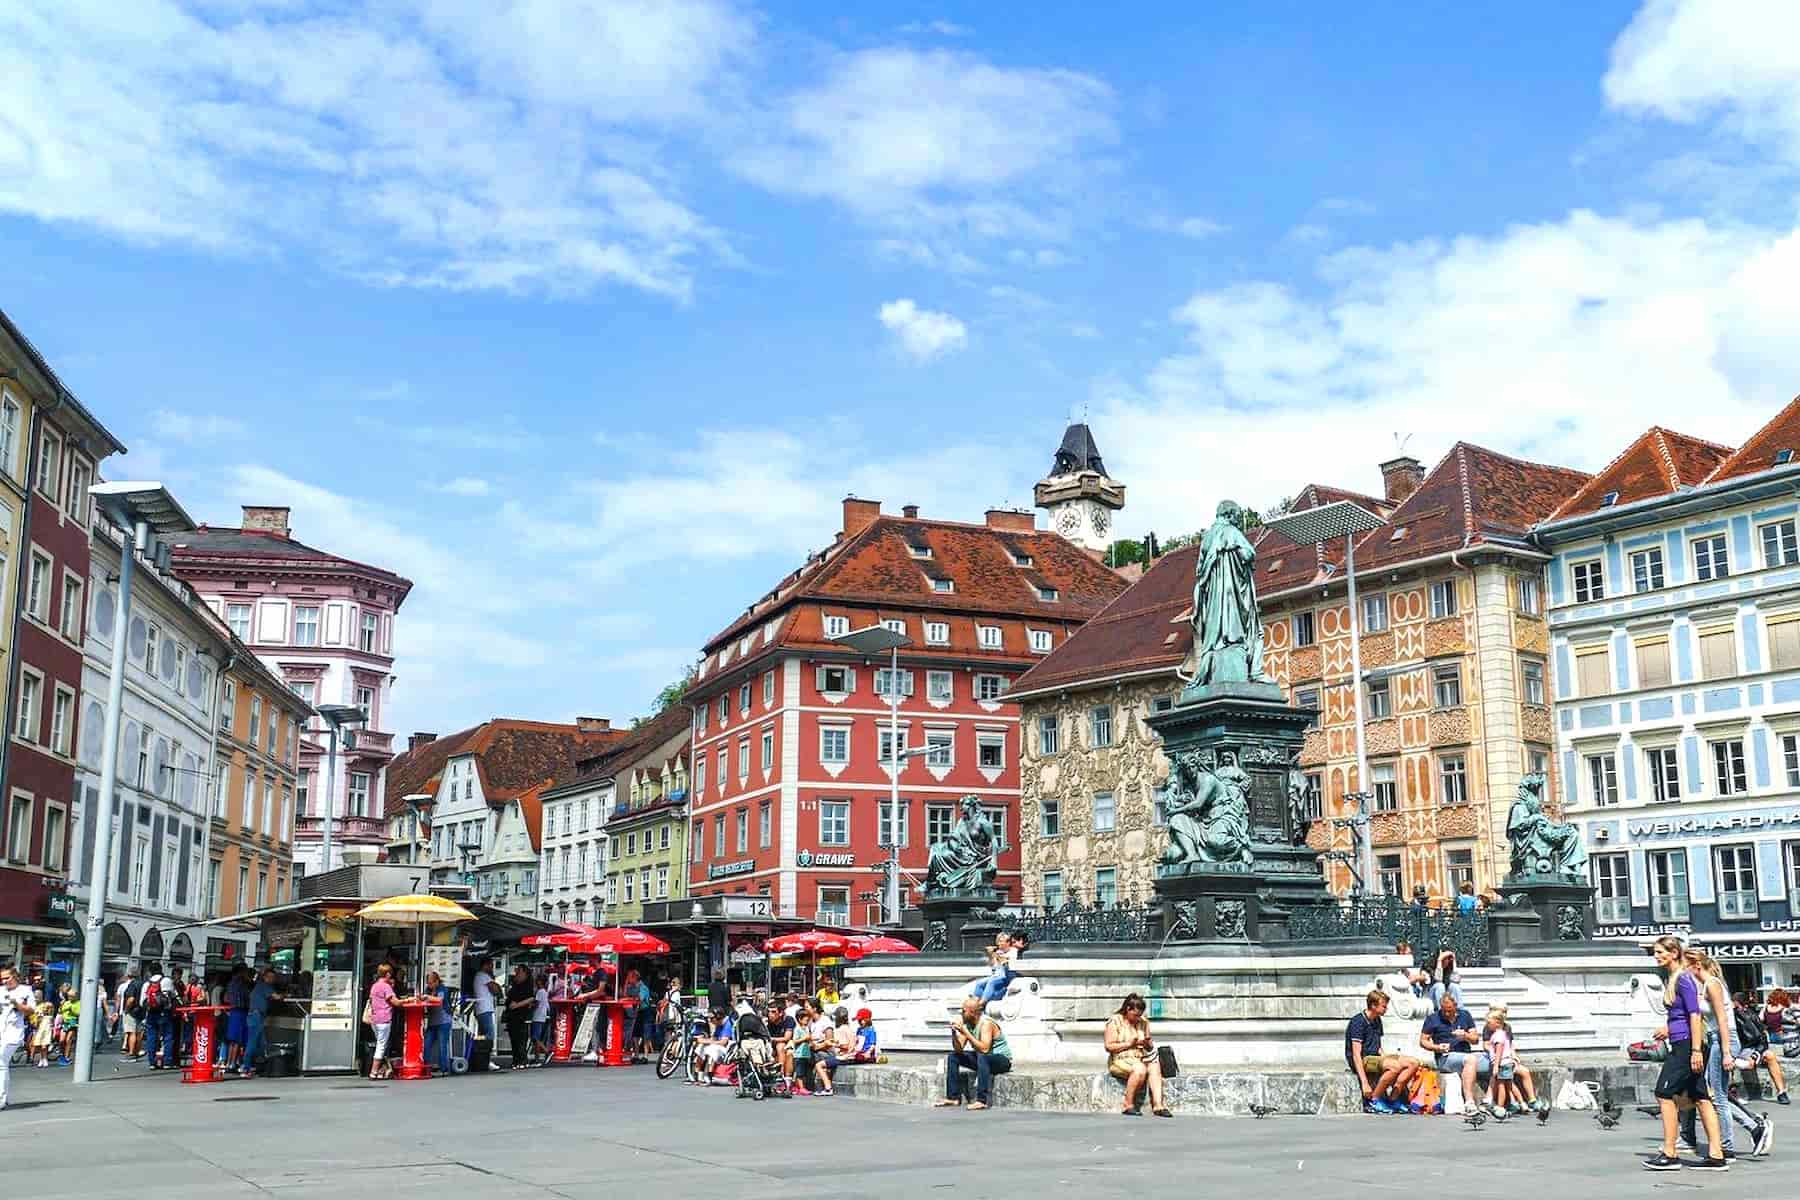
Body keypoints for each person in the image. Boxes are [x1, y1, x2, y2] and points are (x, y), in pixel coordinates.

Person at [1645, 936, 1728, 1172]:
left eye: (1660, 952)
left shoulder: (1683, 979)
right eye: (1655, 952)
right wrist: (1669, 1029)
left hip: (1686, 1045)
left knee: (1664, 1093)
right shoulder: (1674, 978)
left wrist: (1695, 1050)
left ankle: (1670, 1153)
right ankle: (1716, 1155)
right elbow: (1681, 1015)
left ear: (1673, 953)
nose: (1656, 956)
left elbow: (1694, 1014)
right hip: (1681, 1040)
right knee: (1700, 1096)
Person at [935, 995, 1012, 1111]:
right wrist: (954, 1033)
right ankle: (953, 1097)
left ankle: (981, 1100)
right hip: (983, 1060)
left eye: (963, 1011)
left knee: (982, 1056)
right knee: (953, 1056)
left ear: (972, 1012)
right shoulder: (968, 1024)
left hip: (1001, 1060)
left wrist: (966, 1032)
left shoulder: (986, 1023)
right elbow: (959, 1049)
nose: (961, 1013)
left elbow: (985, 1049)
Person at [1347, 989, 1416, 1114]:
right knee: (1394, 1067)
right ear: (1373, 1005)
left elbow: (1378, 1046)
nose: (1386, 1009)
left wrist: (1387, 1058)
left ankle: (1393, 1098)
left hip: (1376, 1057)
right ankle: (1374, 1100)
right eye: (1384, 1006)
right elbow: (1356, 1054)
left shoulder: (1377, 1020)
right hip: (1364, 1058)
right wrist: (1365, 1083)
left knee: (1413, 1063)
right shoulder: (1358, 1022)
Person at [1105, 993, 1172, 1117]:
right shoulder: (1115, 1021)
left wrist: (1147, 1044)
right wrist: (1129, 1044)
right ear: (1128, 1009)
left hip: (1141, 1057)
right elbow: (1109, 1046)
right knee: (1140, 1069)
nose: (1137, 1018)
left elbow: (1150, 1046)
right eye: (1135, 1015)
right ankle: (1128, 1104)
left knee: (1155, 1067)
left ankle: (1158, 1105)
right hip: (1120, 1059)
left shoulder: (1144, 1022)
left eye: (1140, 1015)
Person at [1419, 992, 1487, 1111]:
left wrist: (1465, 1036)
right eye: (1444, 1010)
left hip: (1465, 1053)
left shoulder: (1465, 1015)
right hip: (1446, 1057)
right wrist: (1437, 1047)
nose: (1446, 1013)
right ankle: (1469, 1102)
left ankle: (1494, 1102)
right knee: (1470, 1059)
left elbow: (1475, 1039)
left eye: (1449, 1010)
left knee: (1497, 1062)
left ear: (1456, 1006)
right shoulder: (1433, 1018)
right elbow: (1423, 1041)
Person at [1481, 1005, 1544, 1116]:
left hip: (1502, 1061)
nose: (1504, 1014)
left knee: (1505, 1083)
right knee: (1507, 1083)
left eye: (1505, 1012)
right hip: (1500, 1060)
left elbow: (1506, 1046)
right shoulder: (1489, 1028)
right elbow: (1487, 1045)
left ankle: (1506, 1105)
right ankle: (1517, 1102)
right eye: (1502, 1011)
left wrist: (1513, 1056)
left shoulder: (1503, 1030)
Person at [1, 967, 35, 1108]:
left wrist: (16, 1003)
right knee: (3, 1064)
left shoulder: (25, 990)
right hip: (1, 1030)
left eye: (7, 978)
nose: (4, 981)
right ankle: (5, 1097)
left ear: (15, 976)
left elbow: (30, 1010)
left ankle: (1, 1099)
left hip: (13, 1032)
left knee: (0, 1061)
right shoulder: (1, 991)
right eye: (2, 979)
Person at [243, 968, 278, 1079]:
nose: (272, 979)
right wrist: (285, 996)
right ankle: (246, 1068)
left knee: (261, 1043)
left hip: (256, 1016)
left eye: (273, 977)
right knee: (253, 1042)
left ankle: (259, 1066)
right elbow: (276, 996)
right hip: (256, 1016)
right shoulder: (265, 986)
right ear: (265, 977)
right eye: (270, 977)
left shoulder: (259, 986)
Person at [367, 963, 398, 1080]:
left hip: (374, 1019)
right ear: (388, 974)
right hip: (384, 1019)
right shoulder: (386, 987)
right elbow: (395, 1002)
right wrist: (407, 1000)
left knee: (381, 1044)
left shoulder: (374, 986)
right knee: (381, 1046)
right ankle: (373, 1071)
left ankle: (382, 1070)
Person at [472, 958, 501, 1071]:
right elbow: (496, 990)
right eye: (491, 965)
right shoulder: (483, 976)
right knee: (489, 1035)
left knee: (484, 1035)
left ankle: (482, 1059)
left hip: (481, 1009)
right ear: (485, 965)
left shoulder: (479, 976)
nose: (492, 968)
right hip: (485, 1009)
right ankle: (486, 1059)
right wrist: (495, 982)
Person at [503, 964, 534, 1071]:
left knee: (521, 1039)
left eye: (519, 971)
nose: (517, 973)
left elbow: (531, 998)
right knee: (514, 1039)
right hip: (512, 1016)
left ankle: (522, 1060)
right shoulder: (515, 984)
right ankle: (516, 1060)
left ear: (525, 973)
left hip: (521, 1015)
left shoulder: (528, 985)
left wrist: (517, 1005)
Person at [423, 971, 452, 1077]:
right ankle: (425, 1067)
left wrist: (427, 997)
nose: (429, 985)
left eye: (431, 983)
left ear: (437, 981)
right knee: (426, 1044)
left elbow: (439, 1000)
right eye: (428, 983)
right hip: (432, 1022)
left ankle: (444, 1069)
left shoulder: (442, 988)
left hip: (443, 1021)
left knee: (442, 1045)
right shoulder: (428, 990)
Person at [807, 1000, 839, 1096]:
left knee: (817, 1056)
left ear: (814, 1009)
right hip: (814, 1049)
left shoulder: (825, 1021)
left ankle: (825, 1086)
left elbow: (830, 1041)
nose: (806, 1009)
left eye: (807, 1007)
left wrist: (818, 1047)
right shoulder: (810, 1022)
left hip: (826, 1052)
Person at [223, 966, 249, 1073]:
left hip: (233, 1012)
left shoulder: (230, 984)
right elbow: (246, 998)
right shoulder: (241, 984)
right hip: (240, 1012)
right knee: (237, 1039)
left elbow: (226, 998)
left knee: (232, 1040)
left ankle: (229, 1063)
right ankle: (233, 1063)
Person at [117, 966, 143, 1060]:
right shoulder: (142, 984)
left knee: (131, 1032)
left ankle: (132, 1052)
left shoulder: (132, 985)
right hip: (141, 1011)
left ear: (129, 975)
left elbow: (131, 999)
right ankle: (137, 1051)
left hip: (132, 1011)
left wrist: (126, 1009)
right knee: (139, 1032)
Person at [531, 972, 551, 1066]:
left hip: (537, 1016)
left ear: (539, 981)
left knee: (535, 1038)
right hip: (542, 1016)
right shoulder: (545, 992)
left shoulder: (540, 992)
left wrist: (530, 1006)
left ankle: (547, 1052)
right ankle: (537, 1058)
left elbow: (536, 1004)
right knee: (536, 1038)